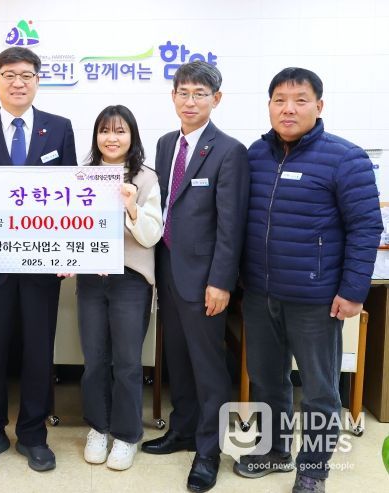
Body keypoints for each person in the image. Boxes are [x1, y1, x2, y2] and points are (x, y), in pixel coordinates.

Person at [235, 68, 381, 493]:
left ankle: (314, 470)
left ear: (319, 106)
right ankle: (274, 450)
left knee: (319, 390)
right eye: (279, 100)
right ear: (269, 106)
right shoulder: (255, 156)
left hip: (315, 299)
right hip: (260, 293)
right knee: (266, 379)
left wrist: (353, 291)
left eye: (300, 100)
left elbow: (366, 228)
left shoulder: (345, 158)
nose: (289, 109)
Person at [0, 46, 76, 473]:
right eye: (9, 75)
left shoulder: (59, 129)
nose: (18, 82)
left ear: (38, 80)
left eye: (27, 75)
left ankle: (33, 434)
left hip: (43, 263)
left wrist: (69, 248)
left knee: (39, 351)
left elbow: (71, 193)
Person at [141, 61, 249, 493]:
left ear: (215, 99)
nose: (190, 101)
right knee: (178, 359)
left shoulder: (229, 151)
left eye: (200, 94)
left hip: (205, 279)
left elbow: (231, 225)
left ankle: (209, 450)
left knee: (208, 367)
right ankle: (183, 430)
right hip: (168, 270)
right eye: (183, 92)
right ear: (173, 96)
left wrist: (221, 282)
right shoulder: (166, 143)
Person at [77, 105, 162, 471]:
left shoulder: (146, 178)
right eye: (105, 131)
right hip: (91, 279)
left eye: (120, 131)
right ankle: (98, 428)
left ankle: (127, 435)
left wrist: (131, 208)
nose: (111, 138)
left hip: (130, 279)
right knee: (94, 360)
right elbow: (70, 227)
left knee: (127, 362)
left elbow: (152, 235)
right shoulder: (82, 176)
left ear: (132, 136)